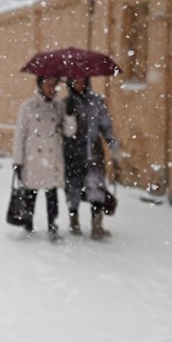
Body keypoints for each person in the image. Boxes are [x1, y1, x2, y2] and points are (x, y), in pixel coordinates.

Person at [12, 76, 76, 241]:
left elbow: (69, 132)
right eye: (48, 84)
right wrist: (18, 162)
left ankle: (53, 228)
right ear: (40, 85)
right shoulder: (27, 107)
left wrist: (69, 114)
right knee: (30, 196)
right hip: (33, 159)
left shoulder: (59, 107)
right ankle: (27, 227)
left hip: (51, 158)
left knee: (52, 197)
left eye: (54, 85)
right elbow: (20, 136)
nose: (51, 88)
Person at [63, 76, 123, 240]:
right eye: (76, 81)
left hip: (93, 151)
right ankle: (74, 220)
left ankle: (97, 225)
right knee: (73, 187)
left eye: (82, 81)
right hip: (73, 152)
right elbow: (66, 132)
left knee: (96, 187)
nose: (79, 84)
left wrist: (113, 145)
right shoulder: (66, 103)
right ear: (70, 83)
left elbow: (106, 125)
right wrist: (68, 115)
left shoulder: (97, 101)